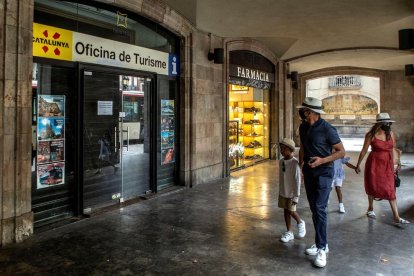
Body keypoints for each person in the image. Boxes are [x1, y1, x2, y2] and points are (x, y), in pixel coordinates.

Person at [297, 97, 345, 268]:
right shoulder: (303, 127)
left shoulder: (327, 129)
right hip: (309, 172)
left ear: (311, 112)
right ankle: (319, 242)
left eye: (304, 109)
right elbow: (303, 147)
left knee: (319, 208)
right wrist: (300, 166)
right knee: (314, 208)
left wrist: (322, 160)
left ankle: (322, 248)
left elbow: (341, 152)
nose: (301, 112)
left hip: (324, 172)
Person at [355, 112, 409, 225]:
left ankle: (396, 217)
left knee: (390, 188)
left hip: (387, 163)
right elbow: (364, 150)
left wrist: (398, 162)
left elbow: (394, 149)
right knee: (372, 185)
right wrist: (358, 164)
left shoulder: (390, 134)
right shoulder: (371, 135)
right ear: (379, 124)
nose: (388, 125)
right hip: (374, 163)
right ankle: (370, 208)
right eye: (386, 122)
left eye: (389, 123)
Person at [278, 138, 306, 243]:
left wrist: (296, 195)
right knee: (285, 210)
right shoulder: (281, 162)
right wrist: (280, 191)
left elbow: (297, 180)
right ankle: (289, 232)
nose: (281, 151)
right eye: (281, 149)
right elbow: (282, 178)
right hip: (283, 191)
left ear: (290, 150)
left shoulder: (295, 163)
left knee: (291, 210)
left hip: (292, 193)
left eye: (284, 149)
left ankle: (300, 222)